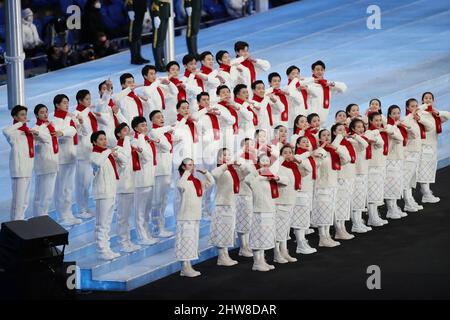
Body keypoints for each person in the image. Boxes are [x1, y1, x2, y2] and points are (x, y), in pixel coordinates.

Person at [245, 154, 287, 271]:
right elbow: (248, 181)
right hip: (259, 210)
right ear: (258, 162)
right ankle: (257, 262)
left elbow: (285, 181)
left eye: (267, 161)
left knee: (265, 236)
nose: (265, 162)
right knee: (258, 236)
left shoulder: (271, 176)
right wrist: (259, 173)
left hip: (271, 209)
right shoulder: (255, 176)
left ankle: (262, 260)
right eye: (262, 160)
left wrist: (275, 178)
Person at [210, 148, 250, 266]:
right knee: (222, 230)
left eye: (229, 155)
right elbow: (214, 174)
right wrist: (226, 165)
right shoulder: (219, 169)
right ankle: (221, 256)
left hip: (232, 203)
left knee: (228, 230)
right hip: (222, 204)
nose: (227, 157)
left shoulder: (233, 170)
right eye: (224, 155)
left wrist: (240, 164)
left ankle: (225, 255)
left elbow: (247, 172)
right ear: (219, 158)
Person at [176, 158, 214, 277]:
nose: (191, 167)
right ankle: (185, 267)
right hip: (185, 217)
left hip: (195, 216)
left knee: (192, 242)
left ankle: (188, 266)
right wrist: (187, 171)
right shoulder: (182, 181)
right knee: (185, 241)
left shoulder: (197, 181)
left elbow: (211, 182)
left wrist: (206, 173)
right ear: (183, 167)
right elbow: (180, 185)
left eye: (192, 165)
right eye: (188, 165)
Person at [312, 129, 350, 247]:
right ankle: (322, 237)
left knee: (329, 212)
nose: (327, 137)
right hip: (321, 186)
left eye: (328, 135)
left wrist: (336, 148)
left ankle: (327, 236)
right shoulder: (317, 152)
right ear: (319, 138)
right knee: (322, 212)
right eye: (323, 135)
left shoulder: (333, 152)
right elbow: (316, 163)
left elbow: (346, 159)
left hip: (333, 185)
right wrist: (321, 148)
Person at [90, 130, 123, 260]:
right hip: (102, 194)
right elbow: (97, 163)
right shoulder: (94, 155)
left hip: (111, 192)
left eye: (105, 138)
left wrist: (117, 157)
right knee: (101, 223)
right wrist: (109, 151)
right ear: (94, 142)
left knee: (107, 223)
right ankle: (101, 250)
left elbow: (121, 168)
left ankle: (107, 248)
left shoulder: (108, 156)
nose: (104, 141)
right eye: (101, 139)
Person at [3, 105, 37, 221]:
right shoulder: (14, 132)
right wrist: (20, 123)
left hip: (28, 169)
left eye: (25, 115)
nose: (24, 117)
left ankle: (20, 220)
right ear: (15, 117)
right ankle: (16, 224)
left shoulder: (27, 132)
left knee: (25, 201)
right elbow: (5, 131)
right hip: (19, 170)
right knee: (18, 201)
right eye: (22, 115)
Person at [52, 94, 83, 226]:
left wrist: (78, 122)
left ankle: (68, 213)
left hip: (71, 155)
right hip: (61, 158)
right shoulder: (54, 120)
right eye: (64, 102)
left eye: (68, 102)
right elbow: (62, 134)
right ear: (57, 105)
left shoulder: (69, 119)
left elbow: (78, 132)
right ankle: (62, 215)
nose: (67, 105)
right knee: (61, 187)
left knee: (69, 187)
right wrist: (68, 129)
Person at [149, 110, 179, 237]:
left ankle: (161, 226)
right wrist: (170, 128)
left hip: (167, 170)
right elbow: (166, 147)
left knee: (164, 201)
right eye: (157, 117)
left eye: (162, 116)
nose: (161, 119)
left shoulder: (164, 133)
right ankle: (157, 228)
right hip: (159, 171)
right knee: (157, 201)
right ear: (152, 120)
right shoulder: (153, 132)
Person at [131, 116, 160, 245]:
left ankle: (147, 234)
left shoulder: (146, 140)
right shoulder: (135, 141)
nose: (145, 127)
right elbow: (147, 158)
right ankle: (142, 237)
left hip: (150, 179)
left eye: (145, 125)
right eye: (142, 125)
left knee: (147, 210)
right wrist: (142, 137)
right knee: (140, 212)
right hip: (140, 181)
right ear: (136, 128)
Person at [417, 92, 450, 203]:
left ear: (433, 100)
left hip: (433, 145)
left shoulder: (435, 115)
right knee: (424, 169)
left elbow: (447, 115)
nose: (428, 100)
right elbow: (414, 113)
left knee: (429, 168)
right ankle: (426, 193)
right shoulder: (420, 113)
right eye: (425, 98)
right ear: (422, 100)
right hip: (423, 145)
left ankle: (426, 191)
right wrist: (423, 107)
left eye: (430, 98)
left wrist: (437, 112)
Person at [114, 123, 142, 252]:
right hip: (123, 187)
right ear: (119, 134)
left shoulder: (130, 147)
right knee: (122, 218)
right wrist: (127, 140)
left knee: (128, 217)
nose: (128, 133)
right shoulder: (118, 149)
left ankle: (128, 241)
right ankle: (122, 243)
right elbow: (124, 161)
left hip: (131, 185)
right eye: (125, 131)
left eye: (128, 130)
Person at [402, 98, 433, 211]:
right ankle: (407, 202)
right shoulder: (406, 119)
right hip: (409, 153)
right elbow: (412, 133)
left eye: (416, 106)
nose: (415, 108)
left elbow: (430, 127)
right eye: (412, 106)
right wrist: (413, 116)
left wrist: (420, 119)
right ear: (407, 108)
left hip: (416, 152)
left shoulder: (417, 119)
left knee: (411, 178)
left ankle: (410, 201)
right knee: (406, 178)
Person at [74, 90, 99, 219]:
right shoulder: (76, 114)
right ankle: (81, 209)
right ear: (80, 101)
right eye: (87, 99)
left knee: (88, 182)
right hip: (83, 152)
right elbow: (81, 132)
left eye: (90, 99)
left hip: (92, 150)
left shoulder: (90, 113)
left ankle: (85, 206)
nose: (90, 101)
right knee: (82, 182)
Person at [32, 104, 59, 217]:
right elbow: (46, 139)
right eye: (42, 112)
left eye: (46, 112)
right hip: (44, 165)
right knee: (44, 195)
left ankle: (39, 217)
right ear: (36, 115)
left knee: (44, 194)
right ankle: (41, 217)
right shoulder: (35, 129)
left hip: (52, 163)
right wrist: (39, 133)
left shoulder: (50, 126)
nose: (45, 114)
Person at [293, 136, 318, 253]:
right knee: (299, 217)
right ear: (297, 145)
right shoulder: (298, 156)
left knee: (304, 217)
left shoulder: (308, 157)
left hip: (308, 190)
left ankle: (302, 241)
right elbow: (304, 166)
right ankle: (300, 243)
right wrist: (309, 153)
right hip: (300, 191)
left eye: (307, 142)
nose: (306, 143)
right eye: (303, 142)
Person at [304, 60, 347, 126]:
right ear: (313, 71)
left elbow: (343, 88)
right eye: (317, 69)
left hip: (323, 119)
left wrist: (331, 84)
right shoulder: (308, 83)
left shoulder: (327, 84)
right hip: (310, 118)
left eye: (322, 70)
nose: (320, 72)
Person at [348, 118, 372, 233]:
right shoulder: (352, 140)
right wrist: (355, 136)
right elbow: (365, 145)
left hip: (363, 172)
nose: (361, 129)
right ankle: (356, 224)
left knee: (360, 199)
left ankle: (359, 222)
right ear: (352, 129)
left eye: (362, 126)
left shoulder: (359, 139)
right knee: (356, 199)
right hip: (356, 173)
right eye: (358, 127)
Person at [384, 105, 408, 219]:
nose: (397, 115)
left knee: (396, 184)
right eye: (394, 113)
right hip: (390, 159)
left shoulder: (395, 126)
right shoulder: (389, 126)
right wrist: (395, 127)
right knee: (391, 185)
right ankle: (390, 209)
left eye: (398, 113)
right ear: (389, 115)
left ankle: (394, 207)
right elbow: (400, 139)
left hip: (398, 159)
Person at [365, 112, 389, 227]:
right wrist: (378, 131)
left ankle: (374, 217)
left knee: (376, 193)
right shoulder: (370, 131)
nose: (379, 122)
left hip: (379, 165)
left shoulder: (378, 132)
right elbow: (369, 138)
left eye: (380, 120)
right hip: (372, 167)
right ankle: (372, 217)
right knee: (372, 193)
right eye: (376, 120)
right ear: (370, 121)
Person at [126, 0, 150, 64]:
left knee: (138, 34)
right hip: (133, 9)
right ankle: (134, 58)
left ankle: (139, 56)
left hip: (141, 8)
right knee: (133, 35)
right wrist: (130, 9)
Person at [150, 0, 171, 71]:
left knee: (162, 38)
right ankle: (158, 63)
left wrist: (170, 10)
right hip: (159, 10)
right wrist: (156, 14)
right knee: (157, 39)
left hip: (165, 10)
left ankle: (162, 61)